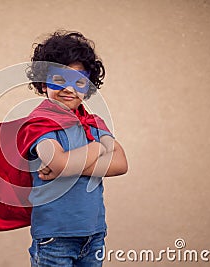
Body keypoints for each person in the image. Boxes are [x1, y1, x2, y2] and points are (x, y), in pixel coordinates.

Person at [25, 31, 128, 266]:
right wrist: (100, 146)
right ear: (43, 83)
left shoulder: (91, 121)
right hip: (55, 238)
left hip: (93, 233)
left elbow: (121, 163)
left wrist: (71, 166)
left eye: (79, 81)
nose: (69, 89)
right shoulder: (40, 121)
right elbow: (59, 163)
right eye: (59, 80)